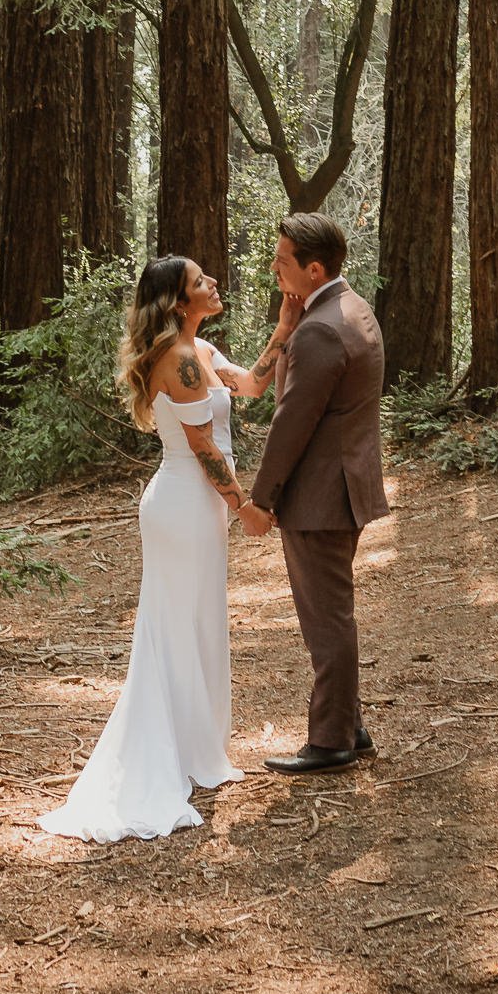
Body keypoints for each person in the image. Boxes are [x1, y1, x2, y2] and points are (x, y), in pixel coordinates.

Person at [38, 253, 300, 842]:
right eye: (200, 281)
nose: (213, 283)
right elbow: (204, 446)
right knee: (176, 623)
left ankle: (195, 748)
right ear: (181, 302)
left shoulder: (201, 354)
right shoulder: (178, 361)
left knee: (198, 620)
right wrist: (246, 507)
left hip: (200, 506)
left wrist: (283, 330)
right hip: (183, 503)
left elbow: (253, 386)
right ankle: (169, 752)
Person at [239, 211, 388, 774]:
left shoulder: (322, 328)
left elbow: (292, 421)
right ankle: (348, 723)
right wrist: (286, 326)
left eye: (282, 262)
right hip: (343, 483)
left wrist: (262, 498)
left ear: (314, 267)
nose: (274, 268)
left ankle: (330, 742)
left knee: (325, 619)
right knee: (332, 611)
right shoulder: (350, 308)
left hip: (321, 494)